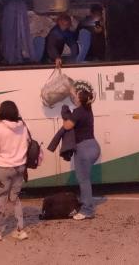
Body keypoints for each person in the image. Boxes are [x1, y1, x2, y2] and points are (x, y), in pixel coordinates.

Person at [0, 100, 29, 241]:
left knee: (2, 198)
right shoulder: (23, 126)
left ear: (1, 112)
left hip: (3, 169)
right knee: (15, 199)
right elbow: (27, 144)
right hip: (20, 167)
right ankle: (20, 230)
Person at [62, 88, 101, 220]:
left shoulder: (78, 112)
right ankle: (86, 207)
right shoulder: (88, 109)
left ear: (80, 99)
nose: (74, 97)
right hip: (93, 146)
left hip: (83, 148)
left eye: (76, 96)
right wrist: (70, 88)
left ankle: (87, 210)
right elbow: (75, 95)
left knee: (83, 180)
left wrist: (64, 114)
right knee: (85, 179)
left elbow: (67, 126)